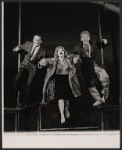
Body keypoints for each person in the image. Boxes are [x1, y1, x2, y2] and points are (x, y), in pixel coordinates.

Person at [38, 46, 81, 124]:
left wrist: (76, 59)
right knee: (60, 97)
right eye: (59, 51)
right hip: (58, 80)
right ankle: (62, 115)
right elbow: (44, 61)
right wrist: (41, 62)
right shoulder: (54, 60)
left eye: (62, 50)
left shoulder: (68, 59)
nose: (61, 51)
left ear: (64, 52)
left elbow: (76, 56)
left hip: (68, 80)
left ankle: (66, 109)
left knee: (67, 97)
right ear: (57, 53)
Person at [74, 31, 109, 106]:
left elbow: (103, 44)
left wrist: (105, 42)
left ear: (89, 38)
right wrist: (76, 59)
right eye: (83, 37)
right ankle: (98, 99)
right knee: (90, 85)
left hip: (96, 66)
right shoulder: (78, 48)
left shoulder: (94, 44)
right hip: (87, 69)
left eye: (87, 36)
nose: (85, 38)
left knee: (105, 78)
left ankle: (105, 96)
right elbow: (76, 55)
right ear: (81, 39)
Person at [13, 34, 47, 107]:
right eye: (35, 40)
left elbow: (43, 62)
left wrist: (41, 64)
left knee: (29, 84)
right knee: (17, 79)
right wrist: (17, 49)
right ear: (33, 40)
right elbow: (19, 48)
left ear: (41, 41)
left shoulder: (43, 51)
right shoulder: (28, 44)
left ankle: (25, 103)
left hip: (33, 67)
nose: (36, 41)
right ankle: (14, 100)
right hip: (25, 65)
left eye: (38, 40)